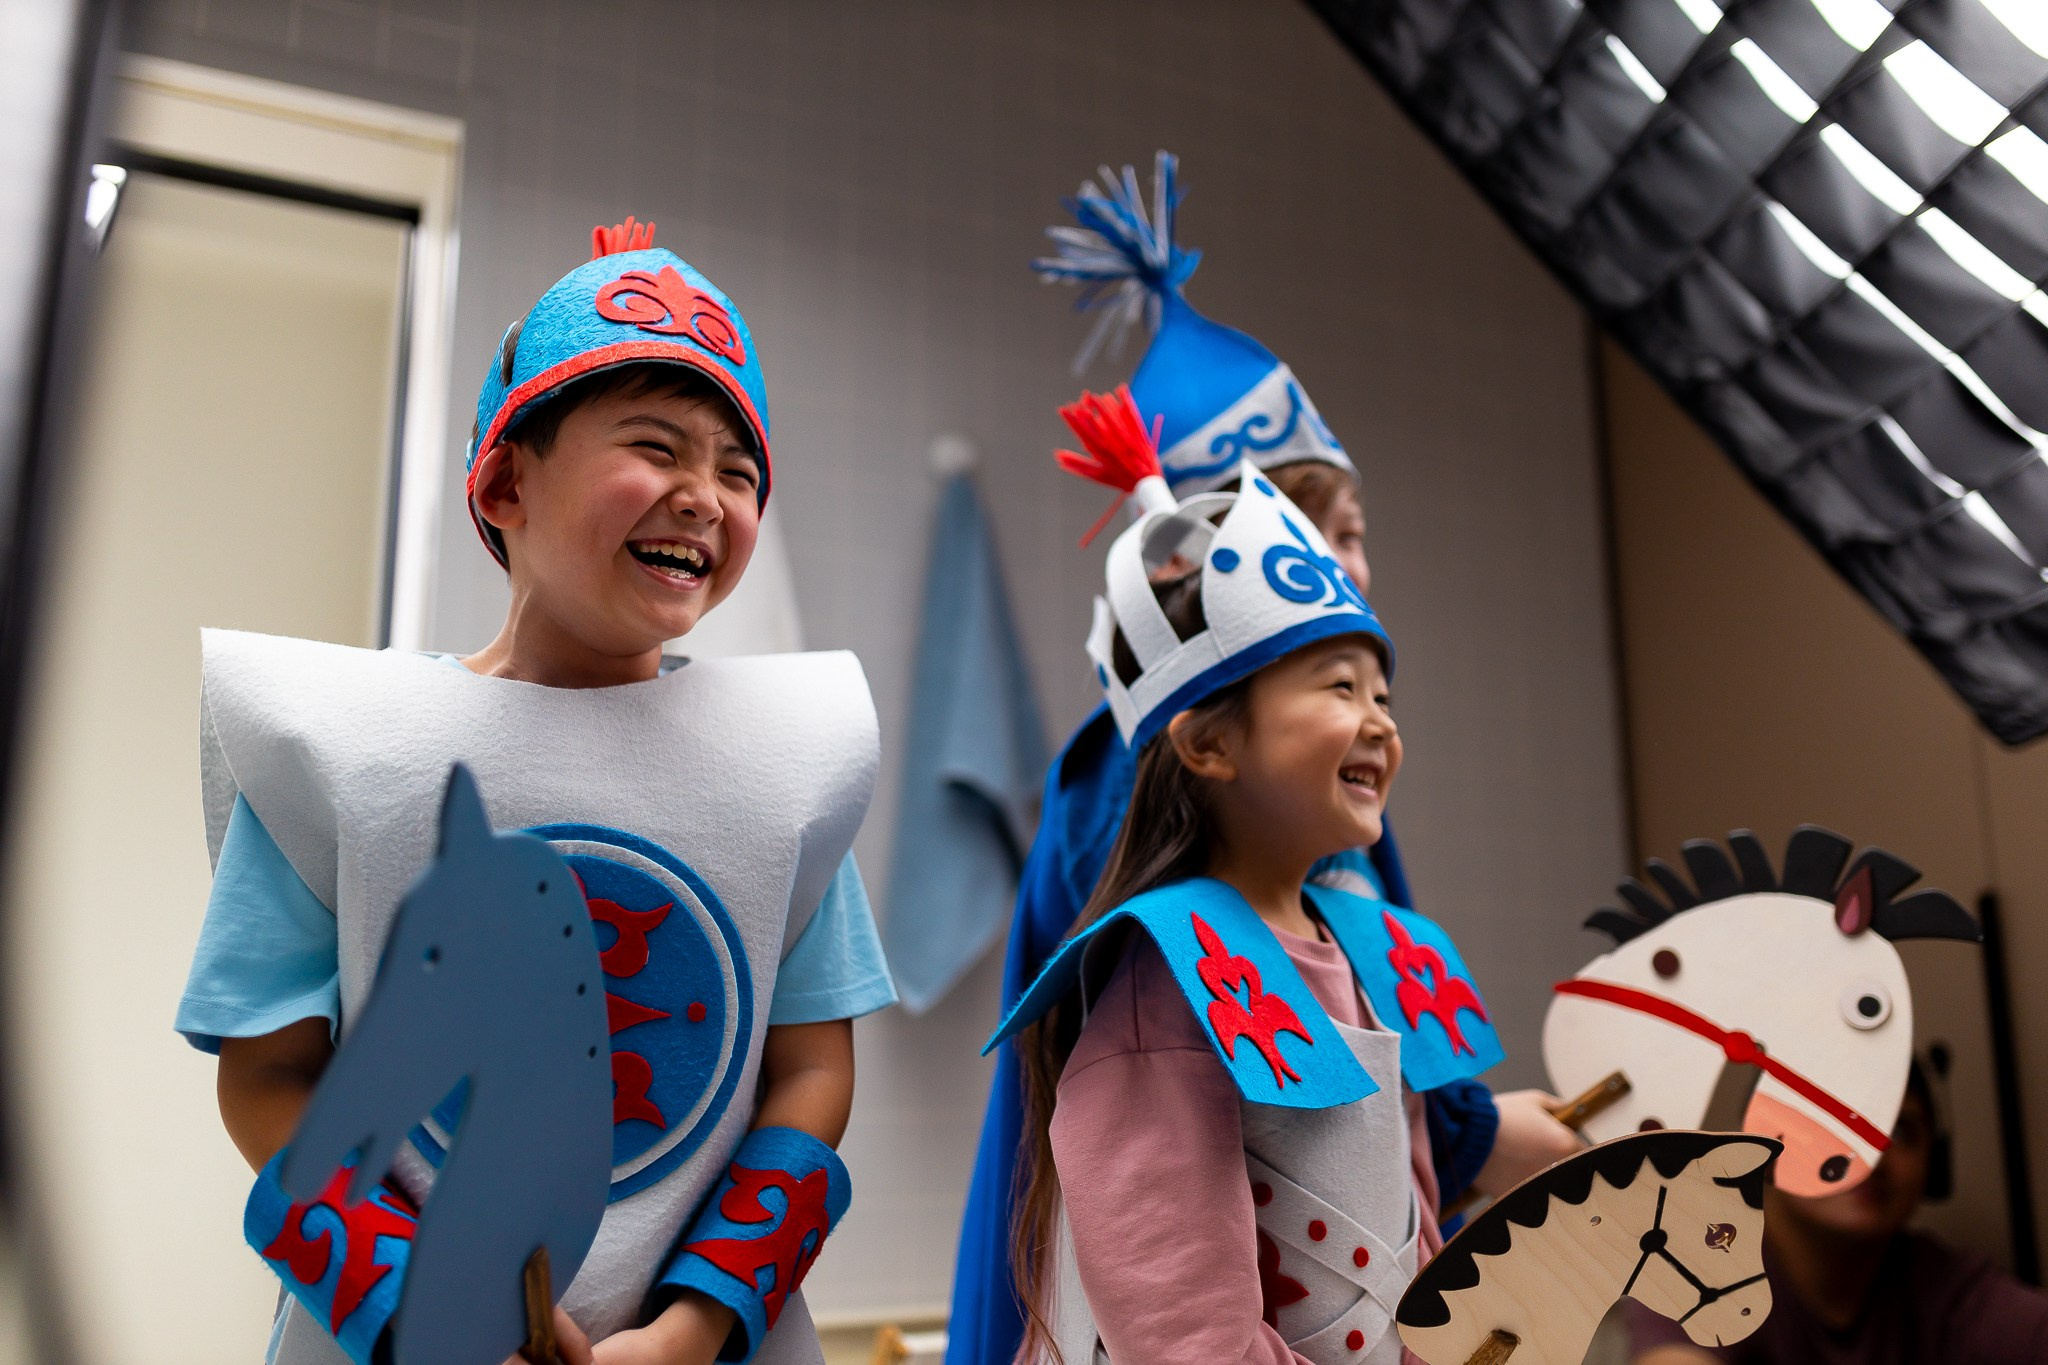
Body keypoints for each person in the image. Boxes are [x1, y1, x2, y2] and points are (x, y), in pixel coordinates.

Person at [178, 220, 895, 1365]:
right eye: (656, 447)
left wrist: (694, 1329)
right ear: (507, 480)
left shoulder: (785, 760)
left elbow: (811, 1067)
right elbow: (268, 1075)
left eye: (738, 470)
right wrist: (421, 1314)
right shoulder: (339, 748)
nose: (704, 496)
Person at [945, 155, 1576, 1365]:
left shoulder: (1326, 823)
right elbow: (1177, 1158)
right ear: (1209, 740)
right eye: (1328, 535)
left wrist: (1470, 1133)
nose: (1357, 568)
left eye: (1356, 539)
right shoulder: (1120, 806)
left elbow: (1348, 1088)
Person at [989, 390, 1505, 1363]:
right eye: (1337, 688)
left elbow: (1418, 1237)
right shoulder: (1170, 976)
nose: (1380, 721)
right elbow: (1188, 1334)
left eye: (1382, 692)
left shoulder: (1372, 947)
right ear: (1211, 743)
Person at [1630, 1062, 2048, 1364]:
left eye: (1899, 1130)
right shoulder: (1695, 1266)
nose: (1869, 1155)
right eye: (1828, 1123)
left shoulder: (1943, 1288)